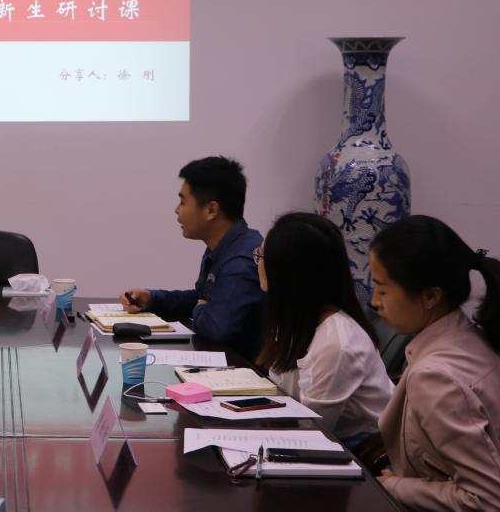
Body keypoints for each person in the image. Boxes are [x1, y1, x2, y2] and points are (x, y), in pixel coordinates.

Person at [371, 215, 500, 511]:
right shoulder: (467, 336)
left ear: (431, 296)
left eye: (382, 289)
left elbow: (487, 499)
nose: (375, 302)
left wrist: (393, 485)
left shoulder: (436, 376)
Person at [256, 212, 393, 448]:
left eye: (261, 256)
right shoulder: (296, 317)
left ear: (286, 272)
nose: (258, 264)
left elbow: (312, 431)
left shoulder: (336, 344)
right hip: (311, 436)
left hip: (356, 452)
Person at [121, 156, 265, 360]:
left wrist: (201, 308)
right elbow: (201, 298)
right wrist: (153, 298)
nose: (176, 209)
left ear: (211, 210)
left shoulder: (242, 259)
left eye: (183, 202)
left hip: (245, 368)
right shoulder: (225, 245)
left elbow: (217, 326)